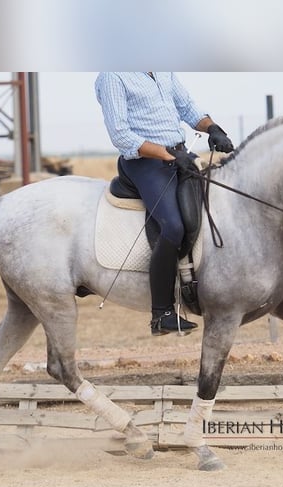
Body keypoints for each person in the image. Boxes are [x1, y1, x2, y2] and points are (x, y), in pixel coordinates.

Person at [95, 72, 234, 336]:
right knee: (173, 226)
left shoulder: (162, 69)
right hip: (144, 163)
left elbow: (188, 108)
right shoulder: (113, 76)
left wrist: (213, 128)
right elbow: (121, 136)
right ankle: (162, 313)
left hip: (178, 153)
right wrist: (165, 154)